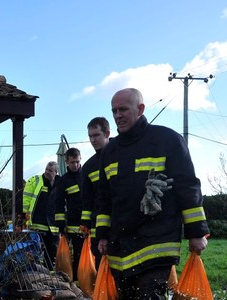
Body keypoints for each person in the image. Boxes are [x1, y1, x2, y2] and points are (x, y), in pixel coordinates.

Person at [96, 88, 210, 299]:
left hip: (158, 243)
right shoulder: (109, 152)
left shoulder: (167, 140)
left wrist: (196, 231)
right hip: (120, 246)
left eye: (123, 109)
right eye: (114, 111)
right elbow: (104, 198)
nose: (117, 115)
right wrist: (102, 234)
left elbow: (188, 187)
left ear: (140, 109)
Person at [80, 117, 111, 269]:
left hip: (123, 221)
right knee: (101, 263)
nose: (93, 140)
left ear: (107, 133)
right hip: (99, 223)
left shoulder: (121, 154)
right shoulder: (88, 167)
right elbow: (87, 199)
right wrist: (87, 224)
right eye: (90, 136)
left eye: (96, 135)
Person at [23, 161, 60, 270]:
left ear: (56, 172)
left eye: (50, 170)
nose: (47, 172)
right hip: (37, 223)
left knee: (52, 251)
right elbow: (26, 199)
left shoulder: (60, 183)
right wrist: (24, 217)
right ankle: (35, 272)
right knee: (35, 250)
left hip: (53, 226)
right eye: (46, 169)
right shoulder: (36, 181)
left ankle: (49, 273)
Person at [54, 147, 84, 280]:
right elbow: (58, 203)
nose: (75, 165)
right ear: (66, 162)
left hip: (91, 222)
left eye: (77, 161)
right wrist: (61, 225)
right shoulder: (63, 181)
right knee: (78, 254)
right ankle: (78, 281)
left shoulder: (87, 174)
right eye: (72, 162)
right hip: (74, 224)